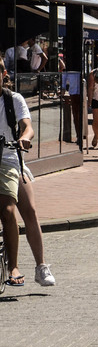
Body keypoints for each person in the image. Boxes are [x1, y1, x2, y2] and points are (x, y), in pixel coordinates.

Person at [0, 70, 36, 286]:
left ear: (2, 74)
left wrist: (24, 138)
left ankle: (13, 265)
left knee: (7, 209)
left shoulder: (14, 99)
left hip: (7, 158)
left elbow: (27, 127)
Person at [86, 67, 98, 148]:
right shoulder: (93, 73)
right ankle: (96, 135)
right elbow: (90, 88)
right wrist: (89, 100)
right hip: (96, 98)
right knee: (96, 120)